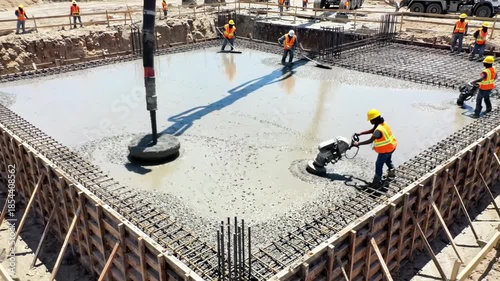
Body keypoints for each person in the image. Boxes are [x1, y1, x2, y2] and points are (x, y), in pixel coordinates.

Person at [353, 109, 397, 188]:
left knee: (378, 165)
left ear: (375, 119)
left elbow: (370, 140)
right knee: (388, 160)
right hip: (392, 146)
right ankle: (392, 173)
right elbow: (373, 130)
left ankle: (375, 183)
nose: (370, 122)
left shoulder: (378, 130)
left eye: (371, 120)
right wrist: (361, 133)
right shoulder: (383, 124)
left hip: (385, 150)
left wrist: (358, 143)